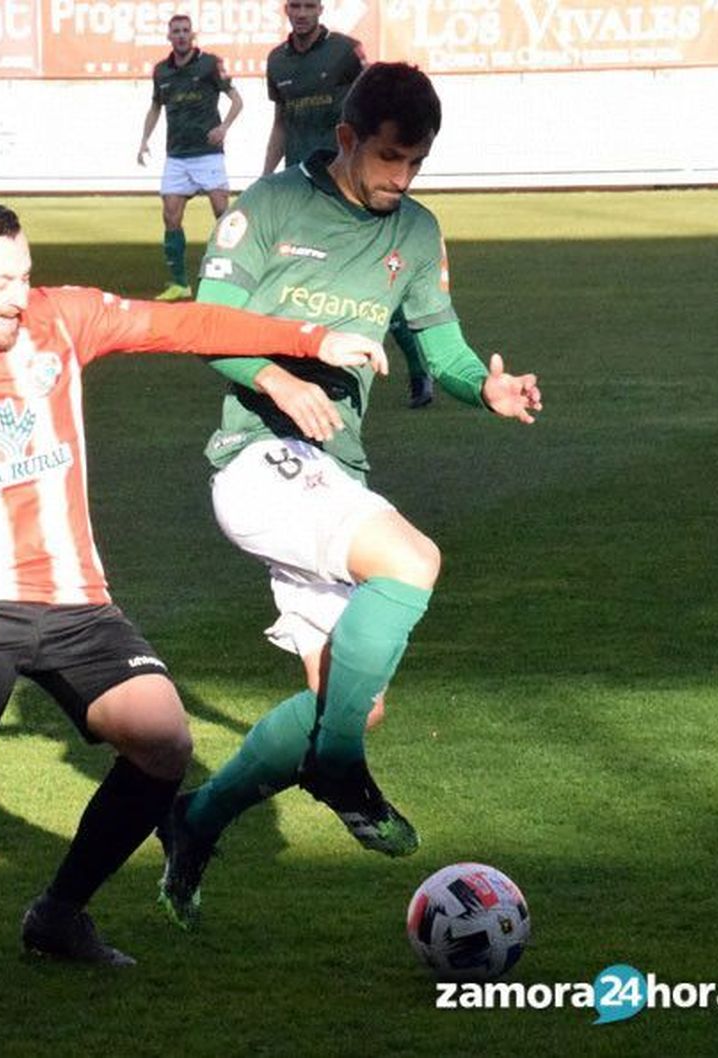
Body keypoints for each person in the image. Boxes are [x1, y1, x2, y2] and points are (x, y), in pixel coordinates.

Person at [0, 198, 388, 969]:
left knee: (163, 743)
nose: (20, 293)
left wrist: (310, 340)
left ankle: (59, 914)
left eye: (25, 274)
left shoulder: (63, 319)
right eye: (1, 280)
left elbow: (184, 325)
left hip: (80, 602)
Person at [157, 63, 543, 929]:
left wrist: (482, 388)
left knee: (352, 702)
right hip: (257, 458)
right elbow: (201, 321)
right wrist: (274, 380)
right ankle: (338, 768)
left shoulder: (417, 230)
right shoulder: (269, 208)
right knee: (412, 561)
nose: (400, 178)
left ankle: (194, 820)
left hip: (332, 471)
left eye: (416, 162)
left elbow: (439, 347)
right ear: (345, 140)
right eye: (388, 158)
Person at [264, 1, 434, 407]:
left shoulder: (344, 53)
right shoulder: (277, 62)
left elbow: (377, 107)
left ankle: (419, 369)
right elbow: (281, 122)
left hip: (349, 187)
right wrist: (267, 176)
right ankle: (303, 368)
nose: (302, 13)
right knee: (298, 281)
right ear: (286, 10)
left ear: (321, 9)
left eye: (309, 5)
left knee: (376, 287)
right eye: (295, 6)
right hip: (301, 191)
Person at [137, 14, 243, 302]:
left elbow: (237, 100)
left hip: (208, 154)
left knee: (225, 215)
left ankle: (234, 276)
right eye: (176, 32)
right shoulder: (161, 71)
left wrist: (224, 128)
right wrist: (144, 140)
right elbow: (155, 107)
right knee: (170, 216)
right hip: (177, 157)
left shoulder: (209, 63)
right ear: (169, 37)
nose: (181, 36)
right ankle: (179, 283)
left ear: (192, 35)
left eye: (185, 31)